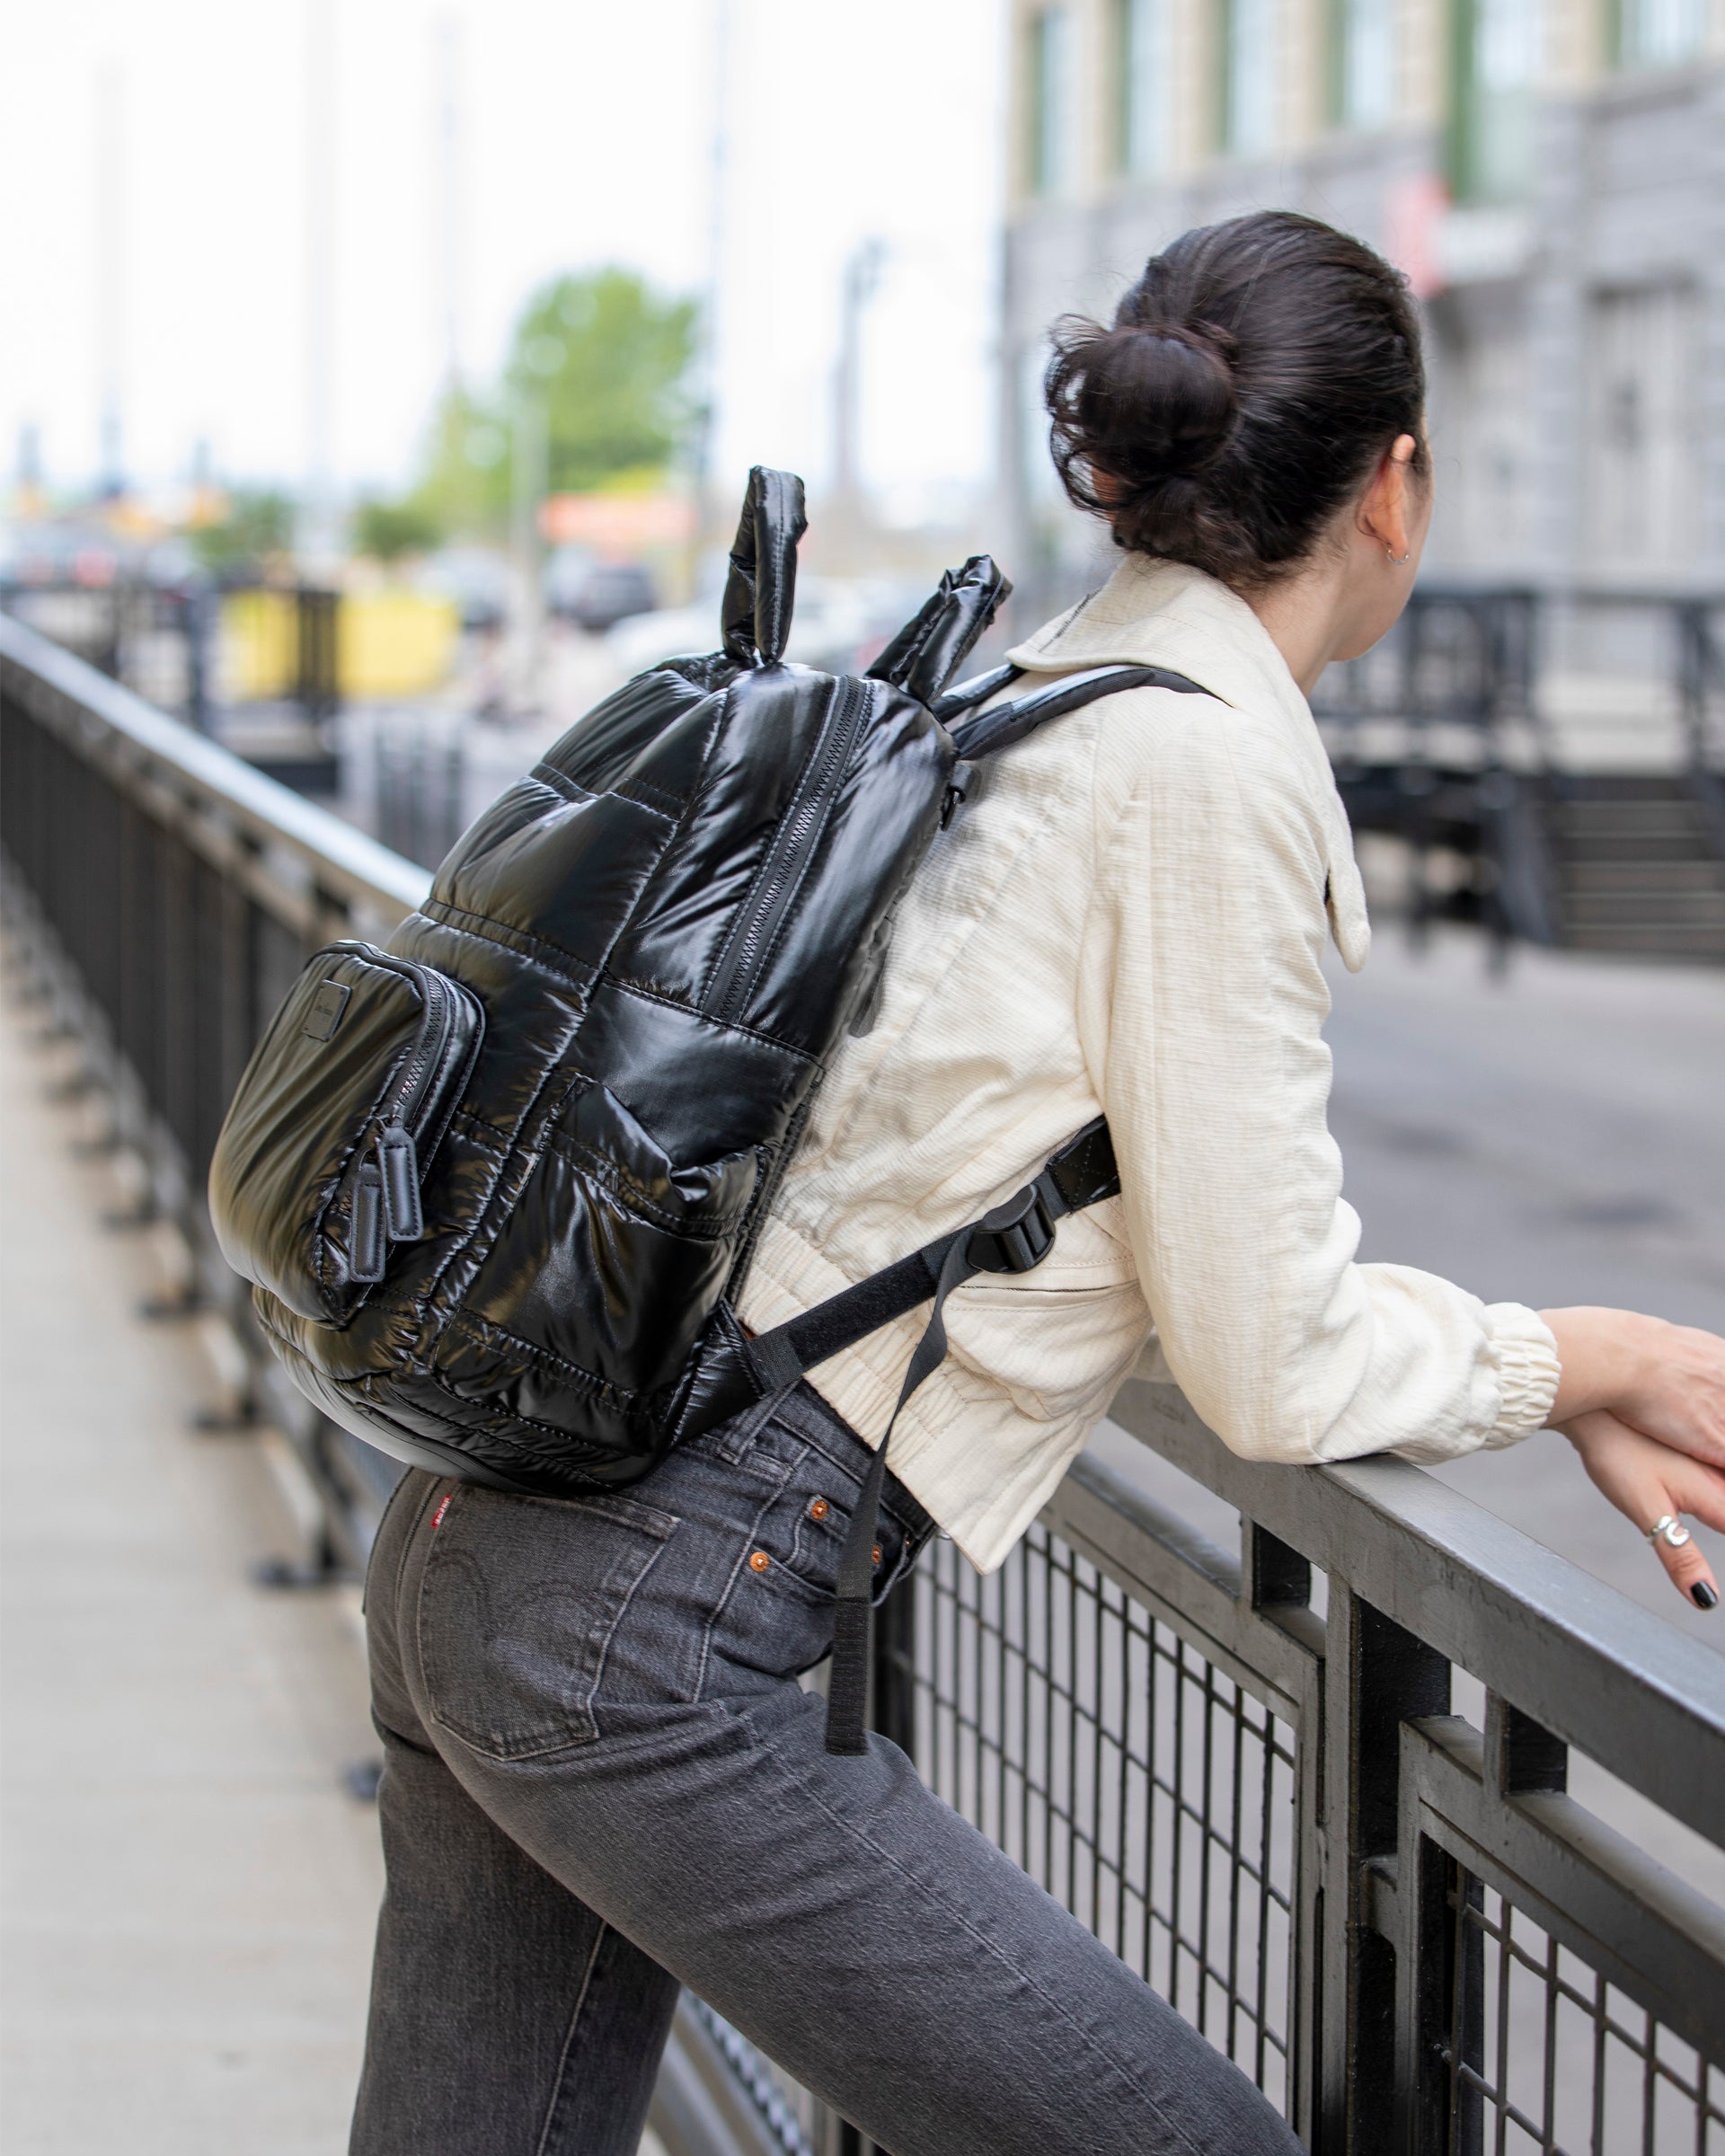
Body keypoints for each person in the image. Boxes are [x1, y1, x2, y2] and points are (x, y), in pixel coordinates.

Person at [349, 211, 1725, 2155]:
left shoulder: (1040, 691)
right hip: (645, 1614)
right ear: (1396, 482)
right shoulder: (1206, 777)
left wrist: (1545, 1371)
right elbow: (1271, 1360)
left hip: (489, 1529)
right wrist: (1587, 1354)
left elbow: (1059, 1240)